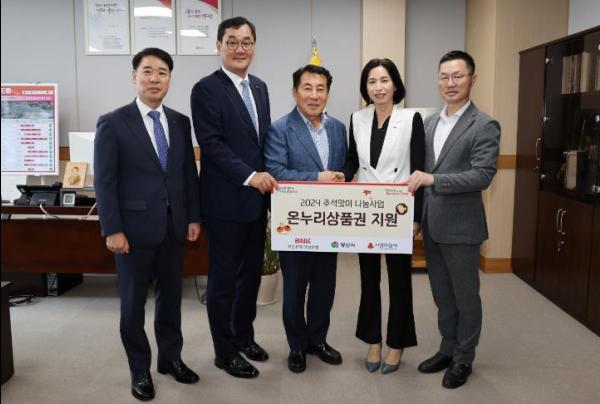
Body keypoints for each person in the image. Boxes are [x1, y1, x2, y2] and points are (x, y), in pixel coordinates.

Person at [94, 47, 201, 401]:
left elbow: (187, 175)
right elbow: (105, 181)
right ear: (134, 76)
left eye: (162, 73)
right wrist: (112, 229)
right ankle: (139, 369)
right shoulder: (113, 122)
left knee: (171, 300)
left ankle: (171, 359)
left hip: (173, 227)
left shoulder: (180, 122)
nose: (155, 79)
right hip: (132, 231)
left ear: (170, 79)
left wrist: (193, 216)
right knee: (132, 306)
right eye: (147, 71)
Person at [406, 50, 500, 388]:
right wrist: (417, 217)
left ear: (472, 79)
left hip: (462, 228)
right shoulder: (430, 122)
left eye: (458, 76)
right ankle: (447, 348)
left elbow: (482, 175)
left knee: (465, 297)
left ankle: (463, 358)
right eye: (444, 76)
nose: (450, 83)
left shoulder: (484, 125)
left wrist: (434, 180)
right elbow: (419, 171)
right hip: (432, 225)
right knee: (442, 296)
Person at [190, 16, 276, 379]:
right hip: (225, 203)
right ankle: (224, 353)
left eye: (246, 42)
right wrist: (251, 176)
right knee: (223, 281)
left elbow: (263, 142)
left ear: (254, 46)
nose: (240, 48)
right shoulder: (206, 89)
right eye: (232, 41)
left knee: (250, 277)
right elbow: (212, 144)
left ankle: (243, 336)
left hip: (256, 204)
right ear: (219, 46)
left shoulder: (260, 87)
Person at [343, 58, 424, 374]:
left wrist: (416, 217)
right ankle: (373, 340)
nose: (378, 87)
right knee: (368, 280)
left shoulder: (411, 119)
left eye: (384, 80)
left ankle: (397, 343)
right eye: (372, 81)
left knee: (400, 281)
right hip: (367, 211)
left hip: (397, 211)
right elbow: (353, 160)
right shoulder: (357, 118)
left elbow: (418, 169)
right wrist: (341, 175)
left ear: (395, 85)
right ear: (365, 87)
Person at [264, 64, 347, 374]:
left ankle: (318, 341)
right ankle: (297, 346)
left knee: (325, 287)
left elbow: (343, 168)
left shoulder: (338, 128)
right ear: (295, 91)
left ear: (328, 93)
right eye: (307, 88)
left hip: (329, 223)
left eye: (320, 88)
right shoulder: (280, 129)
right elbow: (276, 172)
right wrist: (317, 178)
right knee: (295, 289)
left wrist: (343, 177)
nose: (314, 95)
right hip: (294, 224)